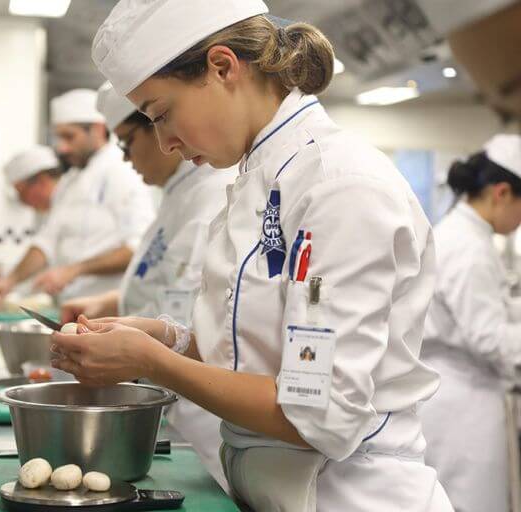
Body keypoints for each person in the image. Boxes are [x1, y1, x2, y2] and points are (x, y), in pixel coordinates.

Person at [50, 1, 454, 510]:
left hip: (346, 494)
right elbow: (261, 354)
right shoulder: (260, 179)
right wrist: (166, 338)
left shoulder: (338, 186)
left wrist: (152, 363)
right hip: (272, 489)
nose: (165, 142)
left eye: (162, 114)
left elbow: (320, 412)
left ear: (222, 67)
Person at [61, 81, 236, 488]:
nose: (125, 159)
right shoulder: (177, 195)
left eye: (126, 143)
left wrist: (146, 353)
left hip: (204, 419)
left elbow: (201, 319)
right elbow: (168, 286)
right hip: (175, 402)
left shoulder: (210, 194)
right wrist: (110, 305)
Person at [420, 134, 521, 512]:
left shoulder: (466, 235)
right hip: (463, 407)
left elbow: (490, 312)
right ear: (502, 193)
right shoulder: (468, 247)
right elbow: (489, 337)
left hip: (459, 398)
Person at [0, 89, 155, 307]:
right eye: (59, 137)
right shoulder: (70, 181)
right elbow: (47, 242)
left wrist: (74, 270)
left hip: (109, 313)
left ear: (98, 130)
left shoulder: (122, 171)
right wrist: (9, 280)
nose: (62, 147)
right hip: (71, 308)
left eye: (69, 136)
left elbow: (137, 248)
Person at [0, 145, 61, 296]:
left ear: (41, 180)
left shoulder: (69, 206)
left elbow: (45, 255)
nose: (23, 201)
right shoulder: (53, 212)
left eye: (22, 192)